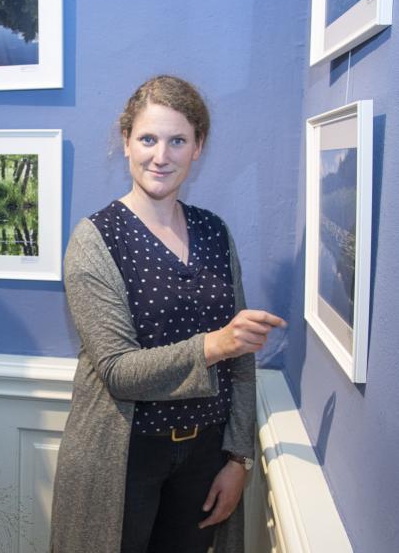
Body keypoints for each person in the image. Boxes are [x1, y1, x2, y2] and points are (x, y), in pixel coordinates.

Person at [50, 76, 286, 553]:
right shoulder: (96, 239)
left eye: (178, 140)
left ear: (198, 147)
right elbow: (118, 371)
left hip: (205, 455)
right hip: (123, 456)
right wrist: (213, 344)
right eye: (148, 139)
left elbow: (241, 363)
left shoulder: (213, 231)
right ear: (126, 142)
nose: (161, 156)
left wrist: (238, 458)